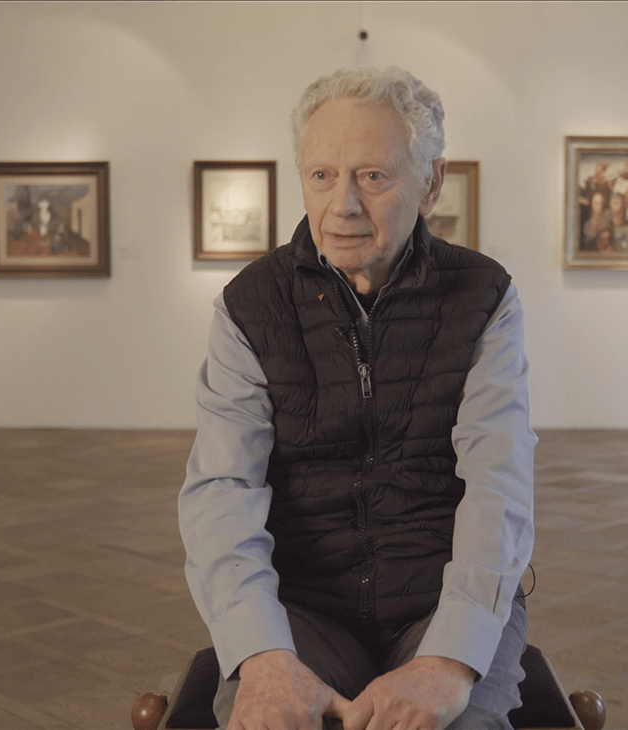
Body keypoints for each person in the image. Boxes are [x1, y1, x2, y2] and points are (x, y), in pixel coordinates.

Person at [179, 66, 536, 730]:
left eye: (373, 176)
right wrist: (261, 653)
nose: (342, 205)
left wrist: (449, 661)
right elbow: (222, 490)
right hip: (302, 605)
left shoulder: (484, 297)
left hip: (443, 596)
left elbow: (500, 485)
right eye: (322, 176)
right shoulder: (249, 306)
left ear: (431, 183)